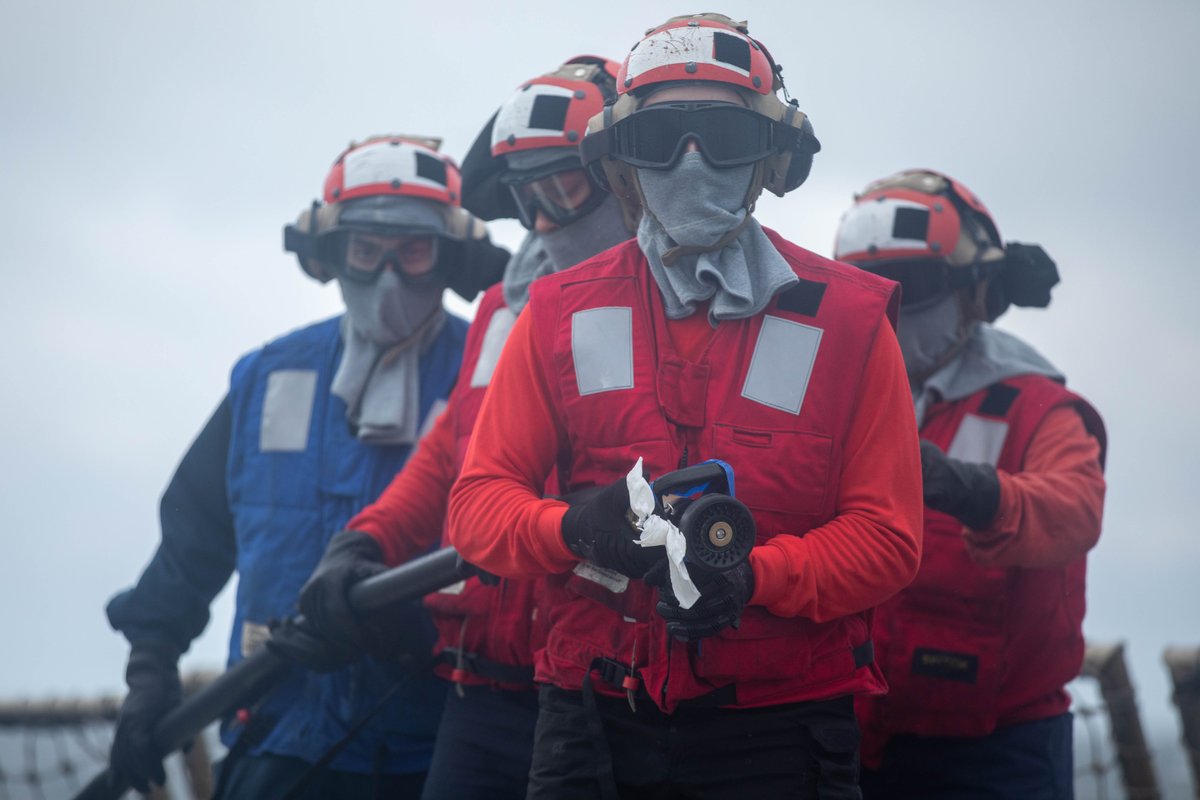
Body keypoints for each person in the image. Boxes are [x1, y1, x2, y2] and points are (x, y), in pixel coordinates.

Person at [446, 14, 925, 799]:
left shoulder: (851, 323)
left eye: (723, 137)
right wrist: (573, 527)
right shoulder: (555, 311)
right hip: (590, 722)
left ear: (772, 159)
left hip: (778, 733)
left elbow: (888, 538)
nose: (691, 164)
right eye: (662, 137)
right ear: (622, 162)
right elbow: (475, 508)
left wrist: (754, 577)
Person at [104, 135, 507, 799]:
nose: (388, 277)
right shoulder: (267, 377)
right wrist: (151, 671)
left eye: (412, 252)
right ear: (330, 253)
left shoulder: (493, 377)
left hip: (432, 752)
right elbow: (192, 541)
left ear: (451, 256)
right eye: (366, 251)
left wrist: (408, 635)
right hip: (275, 740)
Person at [297, 57, 634, 800]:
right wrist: (366, 543)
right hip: (481, 691)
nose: (542, 221)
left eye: (563, 190)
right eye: (526, 198)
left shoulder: (675, 317)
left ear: (625, 179)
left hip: (609, 693)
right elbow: (453, 451)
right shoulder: (502, 312)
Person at [833, 169, 1107, 799]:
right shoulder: (837, 397)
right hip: (855, 733)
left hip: (998, 750)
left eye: (917, 283)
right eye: (874, 284)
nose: (895, 301)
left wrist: (967, 489)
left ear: (976, 292)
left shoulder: (1038, 407)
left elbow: (1075, 509)